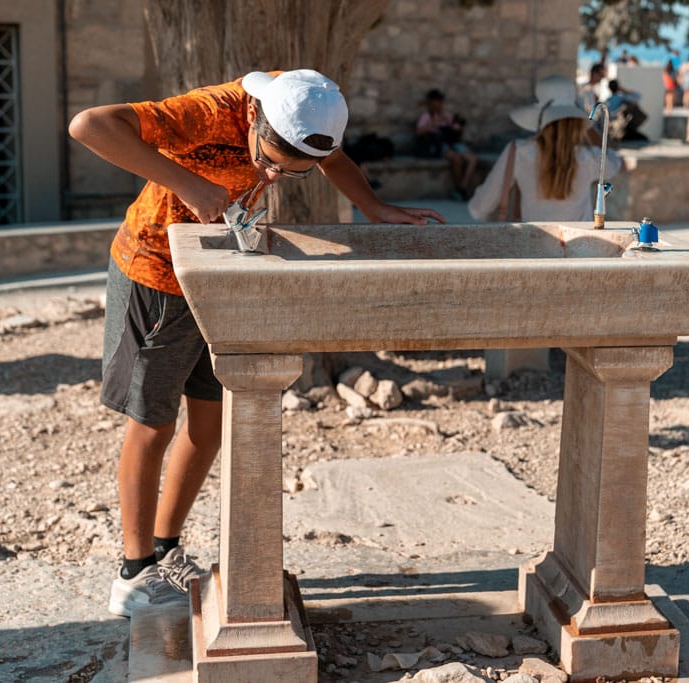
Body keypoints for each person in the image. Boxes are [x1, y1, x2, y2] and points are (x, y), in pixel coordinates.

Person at [68, 69, 443, 618]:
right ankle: (133, 573)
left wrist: (373, 207)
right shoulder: (208, 112)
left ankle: (167, 550)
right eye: (266, 160)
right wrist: (188, 183)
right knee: (152, 422)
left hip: (217, 276)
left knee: (210, 422)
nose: (268, 174)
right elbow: (90, 125)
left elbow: (332, 158)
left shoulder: (308, 108)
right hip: (153, 271)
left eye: (286, 173)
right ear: (256, 117)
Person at [467, 75, 622, 222]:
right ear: (576, 121)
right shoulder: (590, 158)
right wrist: (589, 130)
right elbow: (615, 163)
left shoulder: (519, 152)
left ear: (539, 118)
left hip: (534, 246)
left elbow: (479, 207)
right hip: (579, 248)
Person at [414, 88, 478, 200]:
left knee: (472, 159)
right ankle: (460, 189)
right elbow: (419, 131)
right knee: (456, 159)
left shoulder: (447, 116)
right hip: (438, 144)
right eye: (437, 101)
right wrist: (434, 123)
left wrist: (459, 125)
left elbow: (457, 132)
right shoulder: (427, 116)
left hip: (453, 143)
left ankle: (461, 187)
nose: (439, 104)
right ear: (431, 102)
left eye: (440, 101)